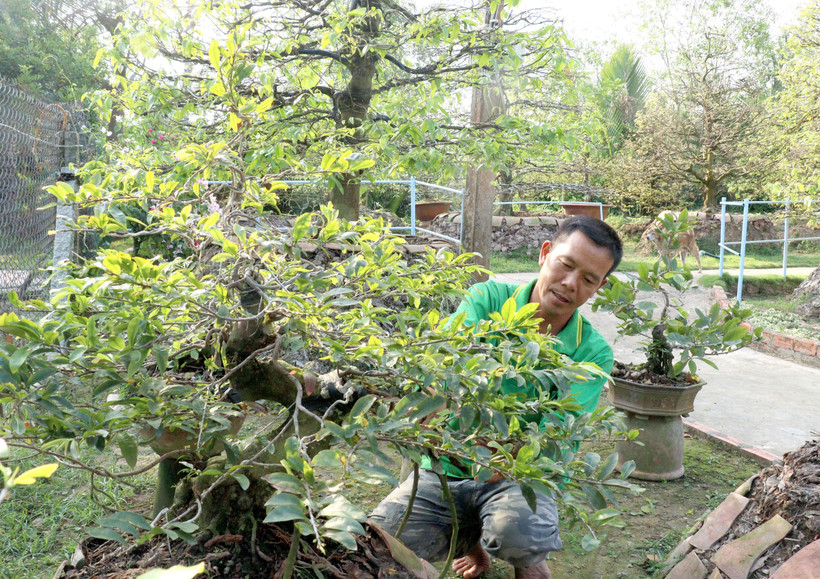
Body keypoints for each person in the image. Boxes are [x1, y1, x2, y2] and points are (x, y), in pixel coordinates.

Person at [369, 216, 623, 579]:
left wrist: (494, 453)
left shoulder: (592, 352)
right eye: (566, 265)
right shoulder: (485, 298)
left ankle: (530, 561)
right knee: (379, 545)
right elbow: (449, 357)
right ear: (545, 253)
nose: (570, 284)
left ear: (600, 286)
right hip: (442, 471)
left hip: (517, 478)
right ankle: (471, 541)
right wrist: (444, 390)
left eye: (588, 279)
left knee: (519, 534)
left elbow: (558, 440)